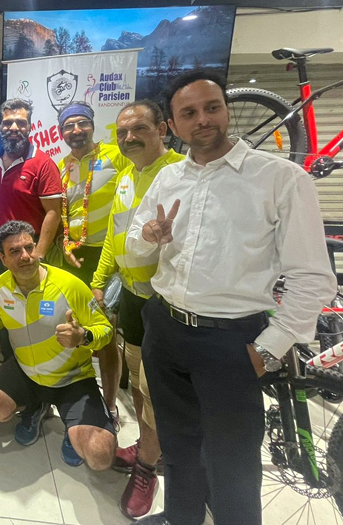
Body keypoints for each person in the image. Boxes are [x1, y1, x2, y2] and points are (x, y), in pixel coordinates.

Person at [126, 70, 337, 525]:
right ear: (173, 126)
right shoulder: (168, 180)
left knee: (233, 466)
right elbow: (133, 244)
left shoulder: (279, 178)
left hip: (231, 341)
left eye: (212, 107)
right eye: (189, 113)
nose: (203, 120)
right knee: (179, 447)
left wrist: (269, 347)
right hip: (164, 329)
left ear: (226, 110)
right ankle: (180, 517)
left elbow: (314, 279)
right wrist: (147, 235)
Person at [0, 220, 116, 470]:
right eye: (15, 251)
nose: (26, 256)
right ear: (3, 258)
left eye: (29, 247)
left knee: (100, 456)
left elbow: (105, 329)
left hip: (72, 378)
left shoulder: (70, 285)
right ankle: (36, 406)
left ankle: (72, 429)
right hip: (26, 372)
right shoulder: (0, 285)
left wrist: (83, 336)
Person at [90, 100, 184, 519]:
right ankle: (150, 447)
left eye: (140, 129)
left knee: (152, 393)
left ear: (163, 127)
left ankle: (148, 466)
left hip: (168, 304)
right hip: (131, 298)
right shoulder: (127, 176)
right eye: (122, 132)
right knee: (138, 390)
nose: (129, 138)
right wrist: (99, 280)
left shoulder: (183, 172)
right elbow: (115, 234)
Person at [57, 101, 132, 425]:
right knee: (71, 328)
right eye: (68, 126)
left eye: (81, 124)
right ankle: (72, 393)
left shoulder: (117, 156)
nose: (75, 131)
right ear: (61, 132)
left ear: (92, 125)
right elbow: (65, 214)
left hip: (108, 258)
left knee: (105, 336)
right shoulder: (61, 166)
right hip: (73, 259)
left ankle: (110, 404)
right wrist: (63, 244)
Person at [0, 98, 61, 362]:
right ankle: (10, 367)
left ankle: (36, 368)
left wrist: (38, 252)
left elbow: (53, 212)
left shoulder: (43, 163)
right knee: (4, 308)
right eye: (7, 122)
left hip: (28, 250)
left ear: (30, 126)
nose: (13, 127)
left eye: (20, 122)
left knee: (32, 312)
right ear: (0, 126)